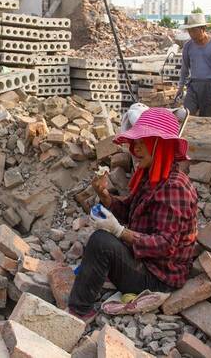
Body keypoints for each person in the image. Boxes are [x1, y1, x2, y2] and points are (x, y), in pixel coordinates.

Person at [68, 108, 198, 322]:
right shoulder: (153, 176)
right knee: (100, 240)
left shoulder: (175, 187)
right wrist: (105, 196)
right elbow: (129, 210)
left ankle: (79, 312)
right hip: (146, 261)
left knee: (101, 242)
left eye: (141, 142)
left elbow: (166, 244)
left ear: (159, 145)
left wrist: (119, 231)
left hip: (160, 276)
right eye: (135, 142)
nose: (134, 149)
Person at [175, 13, 211, 117]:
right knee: (187, 115)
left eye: (194, 31)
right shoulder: (188, 46)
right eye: (189, 31)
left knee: (207, 118)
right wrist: (181, 86)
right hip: (193, 86)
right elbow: (185, 68)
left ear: (203, 29)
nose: (191, 34)